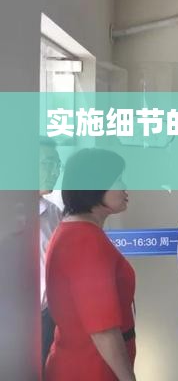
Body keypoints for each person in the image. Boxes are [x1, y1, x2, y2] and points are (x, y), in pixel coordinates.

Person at [45, 148, 136, 381]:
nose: (125, 186)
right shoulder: (85, 241)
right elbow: (103, 330)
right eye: (118, 179)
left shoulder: (74, 230)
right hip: (92, 368)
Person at [39, 137, 62, 371]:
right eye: (48, 163)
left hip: (48, 318)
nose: (55, 171)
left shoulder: (55, 214)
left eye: (57, 164)